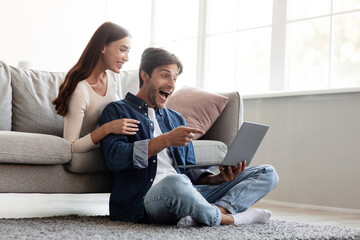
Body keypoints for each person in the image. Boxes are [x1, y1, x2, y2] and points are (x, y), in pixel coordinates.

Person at [99, 47, 279, 227]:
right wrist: (166, 140)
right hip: (147, 198)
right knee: (175, 182)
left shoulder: (176, 119)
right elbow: (116, 158)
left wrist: (219, 178)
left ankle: (204, 213)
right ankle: (229, 218)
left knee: (267, 173)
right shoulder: (117, 111)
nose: (171, 84)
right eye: (165, 76)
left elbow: (190, 171)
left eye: (175, 78)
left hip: (188, 191)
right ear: (145, 75)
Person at [52, 22, 139, 152]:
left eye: (128, 51)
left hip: (115, 144)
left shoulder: (113, 76)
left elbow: (120, 113)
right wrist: (106, 129)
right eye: (122, 50)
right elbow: (70, 146)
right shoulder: (80, 90)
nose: (126, 58)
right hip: (95, 146)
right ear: (103, 47)